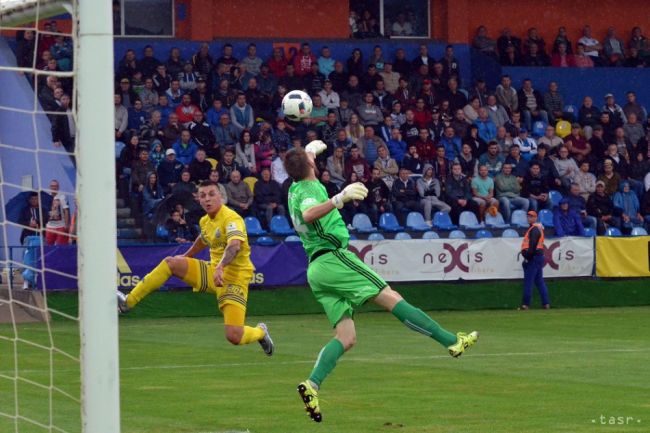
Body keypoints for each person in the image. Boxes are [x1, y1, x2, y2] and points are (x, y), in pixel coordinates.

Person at [284, 141, 478, 422]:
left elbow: (302, 167)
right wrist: (340, 198)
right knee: (391, 297)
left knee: (346, 338)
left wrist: (309, 149)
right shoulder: (311, 190)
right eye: (310, 158)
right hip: (333, 258)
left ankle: (311, 384)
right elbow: (309, 212)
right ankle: (451, 342)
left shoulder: (294, 186)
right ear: (311, 166)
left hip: (315, 269)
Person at [117, 181, 274, 355]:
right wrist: (187, 256)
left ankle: (261, 332)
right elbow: (203, 238)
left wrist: (221, 266)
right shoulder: (205, 221)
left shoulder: (232, 218)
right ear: (198, 199)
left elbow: (234, 246)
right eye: (203, 195)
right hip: (213, 271)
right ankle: (127, 302)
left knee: (234, 336)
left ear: (221, 197)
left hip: (234, 278)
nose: (207, 199)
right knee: (171, 263)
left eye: (211, 194)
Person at [519, 211, 550, 310]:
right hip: (538, 256)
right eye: (528, 216)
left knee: (529, 281)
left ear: (535, 218)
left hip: (533, 257)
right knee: (539, 281)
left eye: (531, 216)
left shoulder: (534, 229)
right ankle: (546, 303)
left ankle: (525, 304)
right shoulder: (537, 228)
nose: (529, 218)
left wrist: (527, 258)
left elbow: (532, 246)